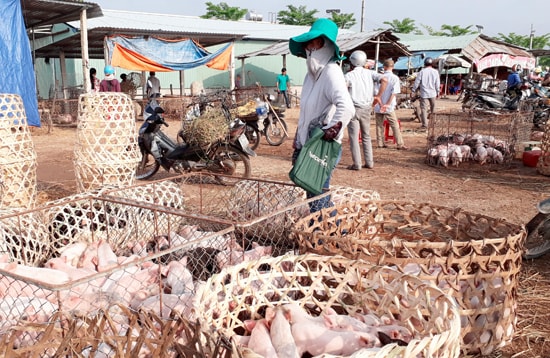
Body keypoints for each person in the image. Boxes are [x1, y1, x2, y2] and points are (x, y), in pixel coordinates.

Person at [289, 18, 355, 212]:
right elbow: (307, 112)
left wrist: (329, 131)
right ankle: (331, 234)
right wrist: (298, 138)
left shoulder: (331, 72)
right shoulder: (310, 76)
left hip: (322, 147)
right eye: (307, 43)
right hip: (308, 143)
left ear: (325, 45)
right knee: (315, 197)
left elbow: (347, 108)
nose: (309, 48)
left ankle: (328, 236)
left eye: (314, 42)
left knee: (318, 198)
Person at [344, 50, 387, 170]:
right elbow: (384, 80)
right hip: (367, 108)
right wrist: (378, 96)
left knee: (353, 137)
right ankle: (369, 162)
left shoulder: (348, 76)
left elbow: (343, 89)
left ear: (352, 62)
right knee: (366, 136)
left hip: (353, 109)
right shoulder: (370, 73)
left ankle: (357, 164)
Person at [374, 59, 408, 150]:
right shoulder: (395, 78)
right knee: (394, 125)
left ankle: (380, 143)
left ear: (384, 67)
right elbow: (394, 93)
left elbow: (376, 93)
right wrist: (387, 104)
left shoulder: (379, 77)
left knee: (379, 125)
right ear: (393, 67)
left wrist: (381, 104)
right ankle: (400, 144)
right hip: (389, 106)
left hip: (379, 105)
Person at [412, 57, 440, 129]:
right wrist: (438, 92)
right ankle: (433, 123)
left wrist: (413, 90)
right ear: (432, 64)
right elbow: (437, 83)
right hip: (433, 93)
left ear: (425, 64)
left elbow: (417, 82)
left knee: (424, 109)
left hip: (424, 93)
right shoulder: (435, 72)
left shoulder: (422, 72)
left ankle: (425, 125)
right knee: (433, 109)